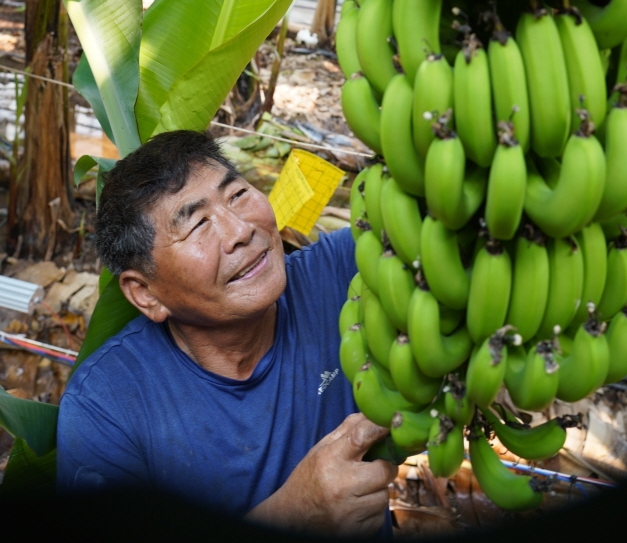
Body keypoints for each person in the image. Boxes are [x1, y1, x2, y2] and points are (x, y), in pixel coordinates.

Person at [56, 131, 396, 536]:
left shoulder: (345, 270)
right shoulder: (108, 407)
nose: (240, 230)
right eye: (198, 224)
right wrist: (295, 513)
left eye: (236, 195)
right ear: (146, 293)